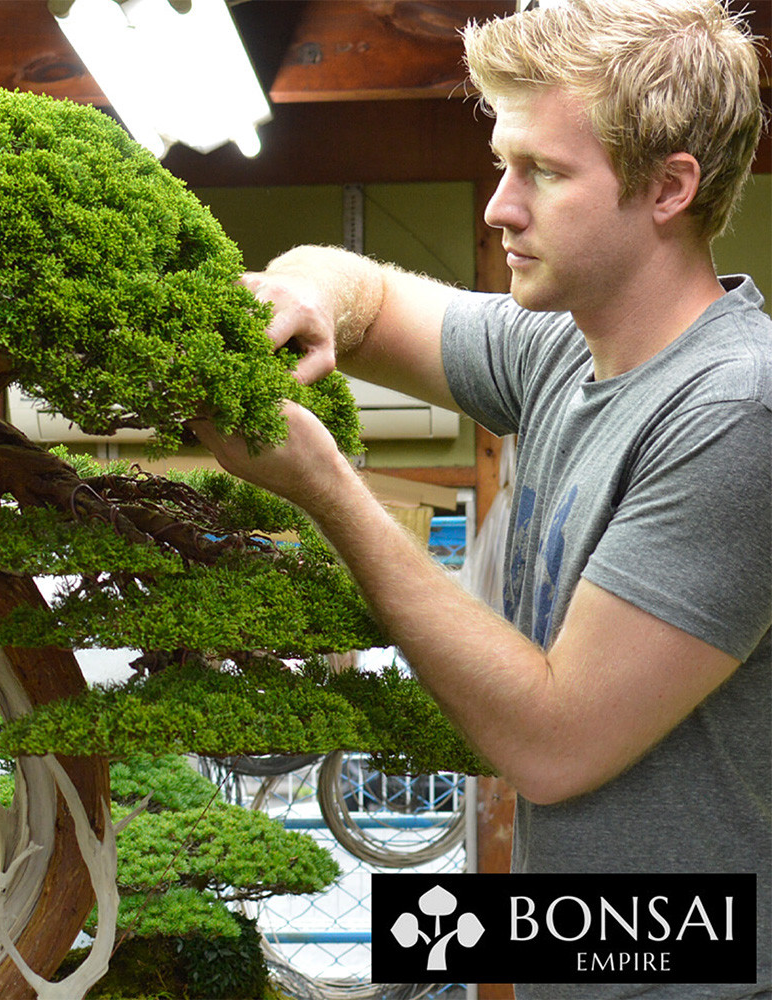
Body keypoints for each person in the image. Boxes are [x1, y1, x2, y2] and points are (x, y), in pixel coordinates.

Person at [190, 1, 771, 997]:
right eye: (504, 164)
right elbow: (355, 284)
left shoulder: (736, 413)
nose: (500, 205)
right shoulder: (558, 348)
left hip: (697, 965)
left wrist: (327, 487)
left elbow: (551, 745)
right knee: (392, 950)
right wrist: (302, 297)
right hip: (599, 944)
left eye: (541, 172)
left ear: (670, 187)